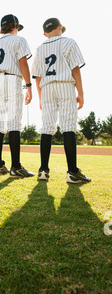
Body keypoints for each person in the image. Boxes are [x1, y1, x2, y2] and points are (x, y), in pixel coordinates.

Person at [31, 18, 91, 184]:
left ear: (45, 33)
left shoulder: (39, 48)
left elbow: (37, 76)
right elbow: (75, 69)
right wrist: (81, 93)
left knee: (47, 128)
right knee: (68, 127)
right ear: (60, 27)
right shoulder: (69, 42)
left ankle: (43, 170)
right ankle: (72, 172)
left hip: (47, 88)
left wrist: (40, 96)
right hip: (65, 85)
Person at [0, 14, 34, 177]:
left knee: (0, 123)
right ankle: (16, 166)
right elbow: (23, 63)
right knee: (14, 122)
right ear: (15, 25)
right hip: (12, 78)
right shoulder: (18, 40)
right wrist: (29, 86)